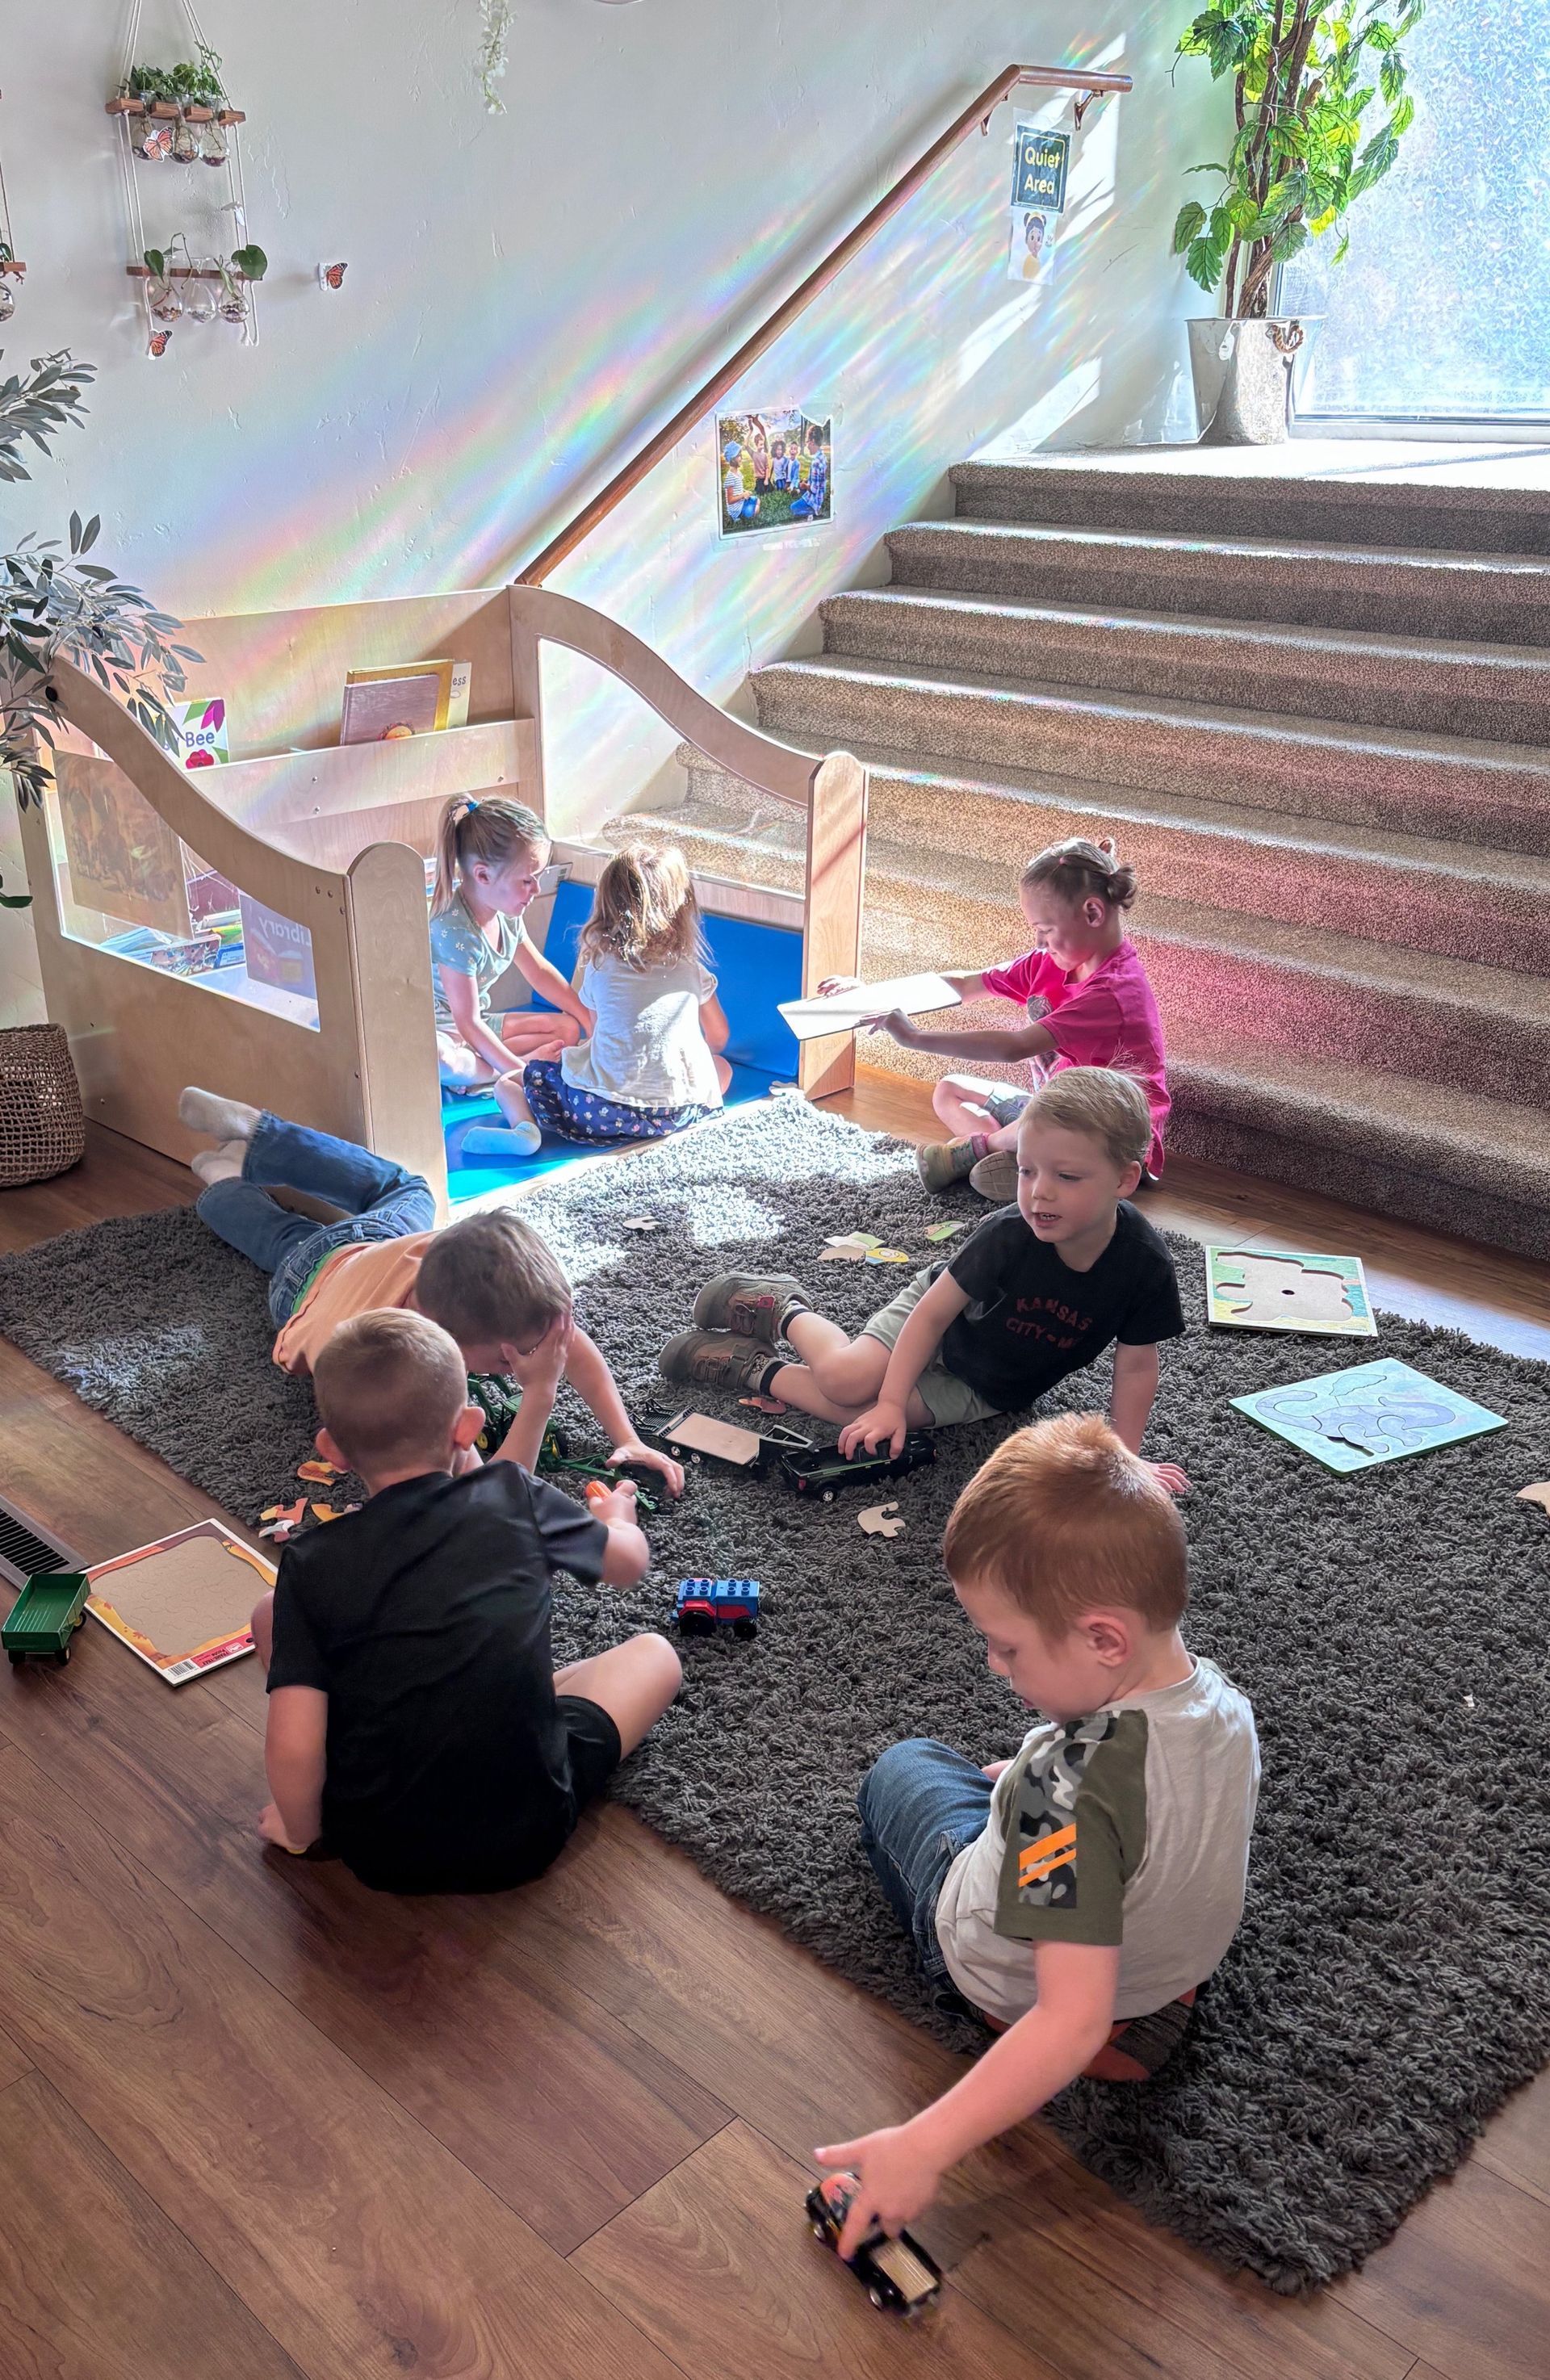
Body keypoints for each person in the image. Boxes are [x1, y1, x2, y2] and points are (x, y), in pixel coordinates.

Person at [813, 1414, 1259, 2258]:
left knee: (904, 1768)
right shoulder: (1226, 1705)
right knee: (1008, 1783)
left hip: (1012, 1976)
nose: (994, 1664)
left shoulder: (1065, 1793)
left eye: (1006, 1644)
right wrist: (1031, 1782)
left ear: (1103, 1638)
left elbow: (1069, 2017)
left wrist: (923, 2144)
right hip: (1166, 1976)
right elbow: (1159, 1805)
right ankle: (1152, 2012)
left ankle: (1016, 1998)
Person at [252, 1306, 683, 1890]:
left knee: (271, 1617)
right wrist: (617, 1516)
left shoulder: (311, 1562)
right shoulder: (513, 1494)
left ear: (333, 1449)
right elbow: (627, 1565)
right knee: (656, 1654)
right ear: (468, 1426)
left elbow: (296, 1748)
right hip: (525, 1836)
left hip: (376, 1851)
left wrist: (302, 1833)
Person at [659, 1068, 1189, 1494]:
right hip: (936, 1321)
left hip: (991, 1385)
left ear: (1125, 1179)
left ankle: (750, 1368)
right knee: (849, 1382)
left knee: (862, 1417)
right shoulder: (1010, 1233)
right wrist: (891, 1400)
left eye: (1066, 1177)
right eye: (1027, 1171)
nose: (1038, 1194)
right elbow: (933, 1314)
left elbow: (1137, 1363)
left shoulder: (1142, 1264)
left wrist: (1125, 1460)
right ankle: (782, 1309)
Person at [178, 1085, 685, 1492]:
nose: (526, 1364)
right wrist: (539, 1393)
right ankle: (220, 1182)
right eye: (509, 1362)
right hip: (303, 1289)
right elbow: (487, 1497)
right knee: (279, 1239)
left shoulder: (452, 1268)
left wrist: (628, 1439)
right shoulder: (410, 1366)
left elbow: (564, 1342)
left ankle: (260, 1135)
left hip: (376, 1246)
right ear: (445, 1339)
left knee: (408, 1190)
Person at [828, 836, 1168, 1202]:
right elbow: (964, 985)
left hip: (1111, 1134)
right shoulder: (1049, 962)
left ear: (1092, 913)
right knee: (949, 1090)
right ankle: (1017, 1162)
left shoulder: (1113, 992)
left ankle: (984, 1152)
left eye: (1046, 929)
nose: (1039, 942)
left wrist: (916, 1038)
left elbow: (1015, 1047)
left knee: (1046, 1114)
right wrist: (873, 996)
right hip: (1046, 1113)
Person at [522, 841, 731, 1146]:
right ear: (682, 907)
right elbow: (719, 1037)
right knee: (721, 1068)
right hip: (680, 1112)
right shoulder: (692, 968)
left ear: (605, 904)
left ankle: (524, 1130)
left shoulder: (598, 964)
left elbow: (596, 1032)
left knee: (535, 1075)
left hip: (601, 1113)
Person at [429, 793, 593, 1162]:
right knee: (443, 1060)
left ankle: (493, 1075)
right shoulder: (452, 929)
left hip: (478, 1028)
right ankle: (504, 1072)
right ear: (483, 875)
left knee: (567, 1030)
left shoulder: (507, 913)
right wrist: (522, 1071)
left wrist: (586, 1016)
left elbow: (539, 972)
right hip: (442, 1033)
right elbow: (466, 1023)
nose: (536, 889)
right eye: (528, 880)